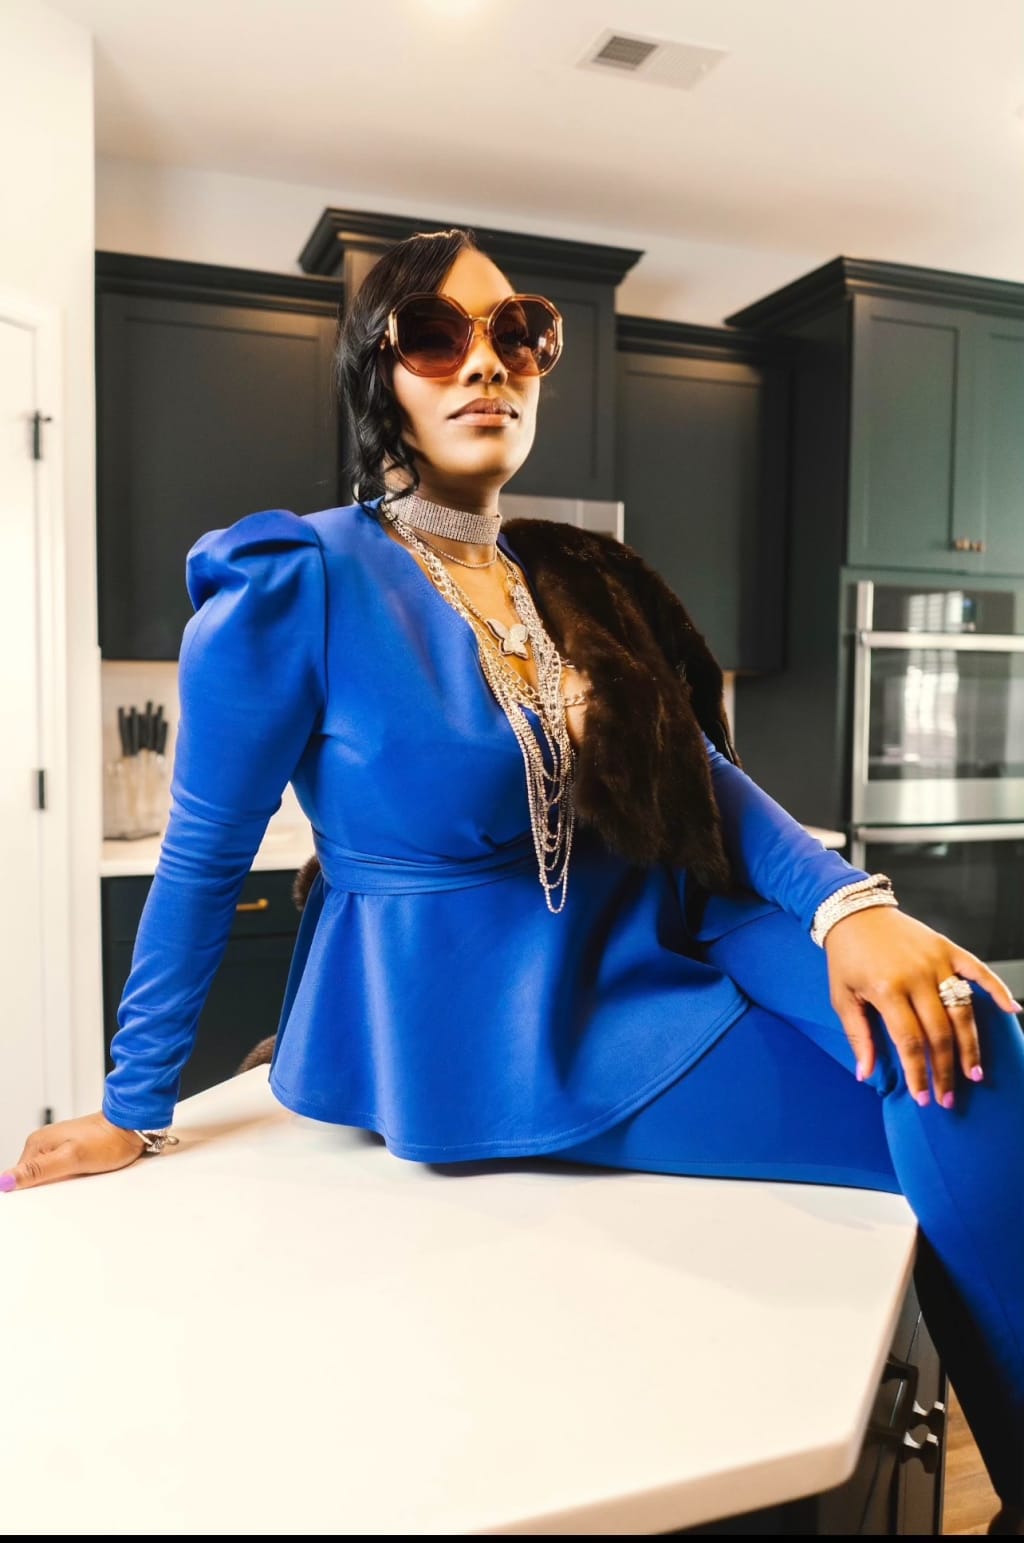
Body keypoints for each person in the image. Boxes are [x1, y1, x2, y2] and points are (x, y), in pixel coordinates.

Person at [4, 227, 1022, 1533]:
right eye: (437, 336)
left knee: (974, 1034)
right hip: (499, 1025)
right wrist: (132, 1108)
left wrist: (852, 908)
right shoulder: (294, 582)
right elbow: (202, 859)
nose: (487, 364)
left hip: (685, 922)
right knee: (947, 1091)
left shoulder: (567, 572)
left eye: (518, 334)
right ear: (379, 373)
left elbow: (701, 776)